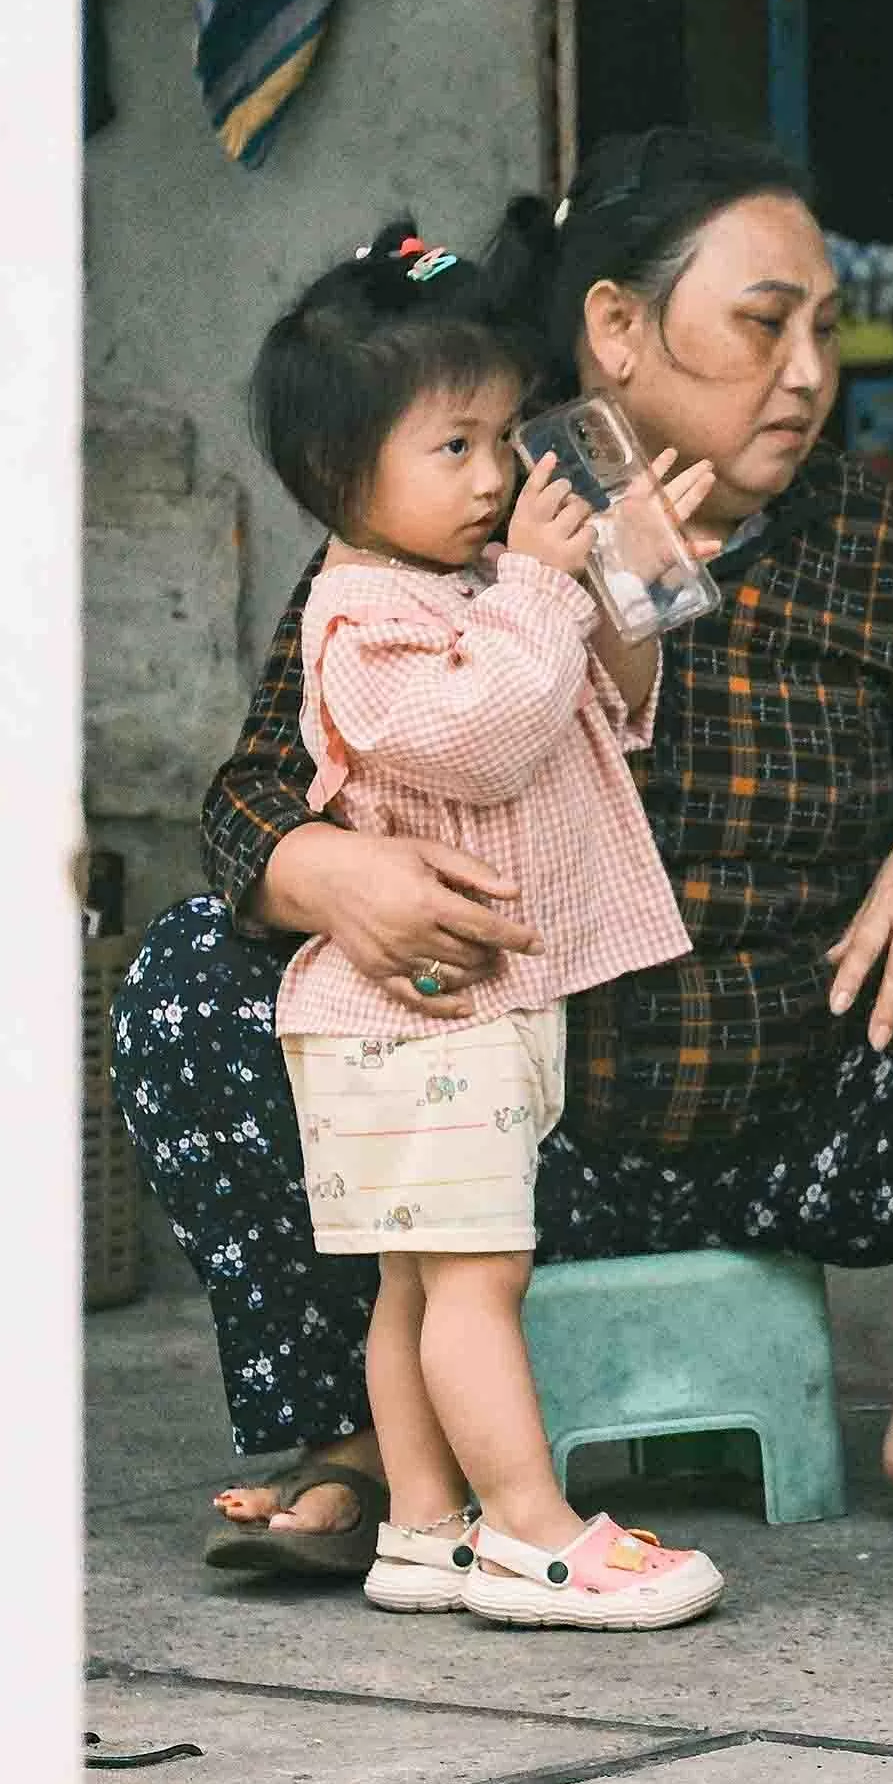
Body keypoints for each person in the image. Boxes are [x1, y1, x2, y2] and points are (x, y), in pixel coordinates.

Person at [119, 128, 893, 1574]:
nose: (810, 372)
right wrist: (322, 872)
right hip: (502, 1138)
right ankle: (364, 1433)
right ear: (617, 330)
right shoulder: (445, 508)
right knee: (190, 978)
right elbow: (249, 798)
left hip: (815, 1123)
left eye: (825, 331)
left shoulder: (865, 540)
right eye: (765, 326)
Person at [245, 225, 726, 1628]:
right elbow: (490, 738)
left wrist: (618, 585)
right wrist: (532, 586)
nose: (499, 475)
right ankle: (532, 1531)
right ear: (343, 479)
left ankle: (422, 1524)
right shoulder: (359, 620)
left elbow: (599, 712)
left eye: (501, 438)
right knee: (477, 1279)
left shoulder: (462, 593)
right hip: (413, 1024)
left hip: (452, 1015)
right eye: (452, 448)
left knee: (417, 1280)